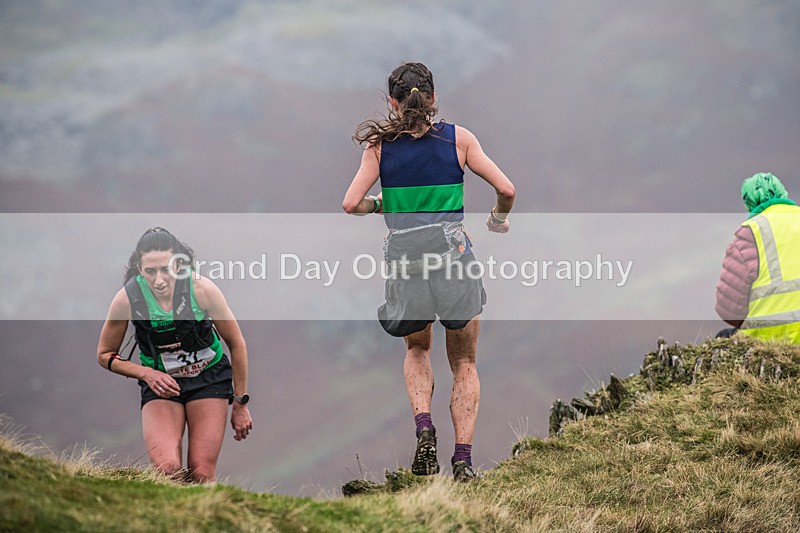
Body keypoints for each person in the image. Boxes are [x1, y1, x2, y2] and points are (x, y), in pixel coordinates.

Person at [342, 62, 515, 481]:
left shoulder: (380, 148)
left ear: (393, 102)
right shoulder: (460, 140)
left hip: (405, 264)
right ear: (434, 98)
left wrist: (383, 204)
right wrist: (497, 219)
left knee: (418, 351)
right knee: (465, 361)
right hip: (453, 260)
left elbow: (351, 203)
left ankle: (424, 429)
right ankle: (463, 462)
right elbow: (507, 190)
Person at [97, 227, 253, 483]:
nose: (159, 280)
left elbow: (237, 343)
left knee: (201, 472)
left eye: (166, 270)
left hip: (208, 379)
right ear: (139, 268)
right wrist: (146, 373)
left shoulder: (202, 289)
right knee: (167, 470)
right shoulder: (127, 299)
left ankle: (209, 518)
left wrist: (240, 404)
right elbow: (104, 354)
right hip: (161, 385)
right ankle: (174, 520)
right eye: (150, 271)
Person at [715, 172, 800, 343]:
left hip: (768, 338)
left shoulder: (750, 233)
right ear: (782, 192)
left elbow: (728, 309)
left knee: (723, 337)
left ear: (749, 202)